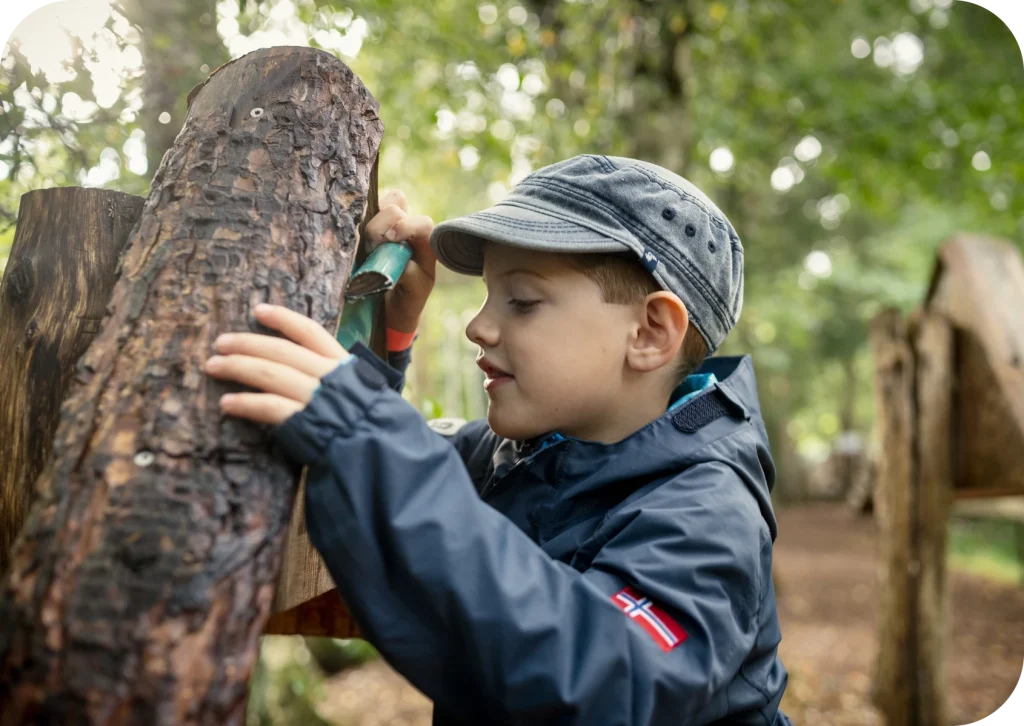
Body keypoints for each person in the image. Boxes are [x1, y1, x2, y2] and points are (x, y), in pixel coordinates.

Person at [203, 154, 791, 725]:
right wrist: (385, 327)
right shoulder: (522, 454)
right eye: (487, 295)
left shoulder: (710, 510)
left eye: (523, 301)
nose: (477, 325)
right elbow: (383, 478)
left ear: (649, 332)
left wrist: (360, 428)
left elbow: (604, 681)